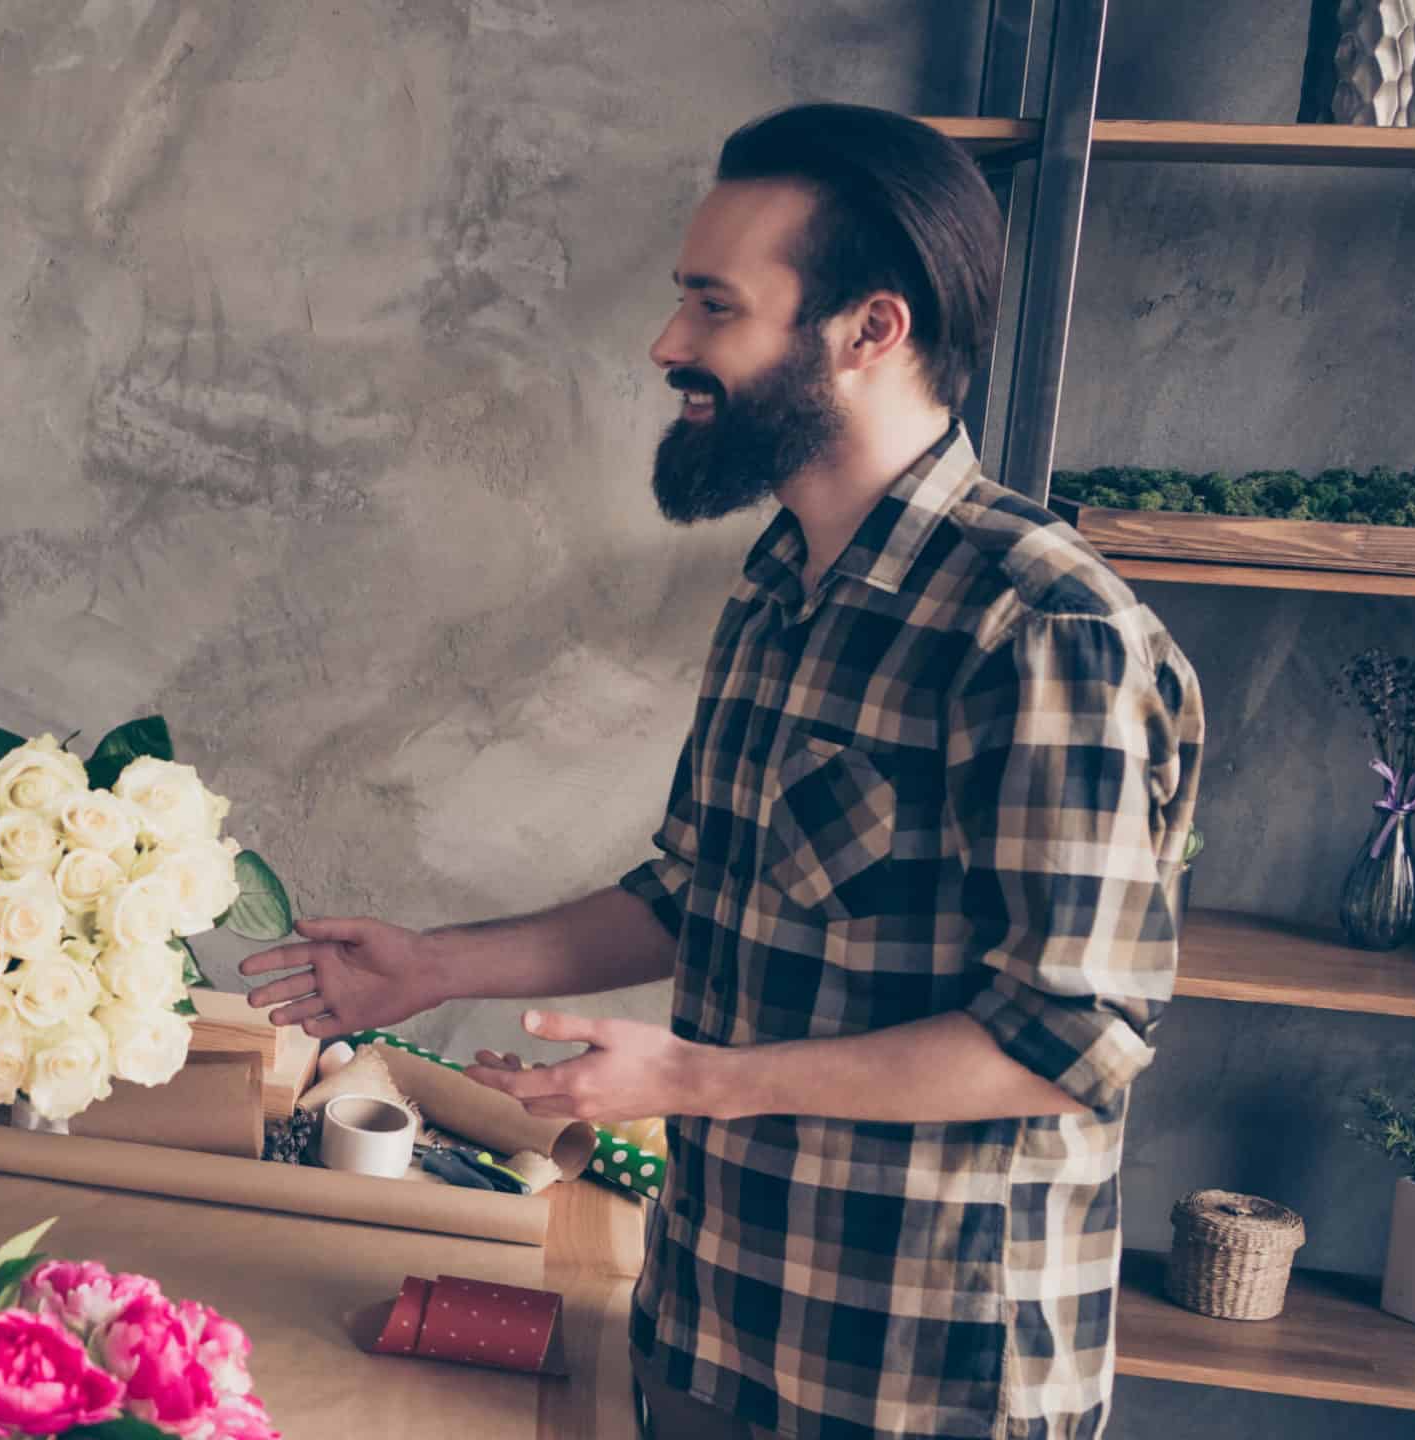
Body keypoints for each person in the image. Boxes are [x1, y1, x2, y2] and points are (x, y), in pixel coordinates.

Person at [244, 105, 1203, 1440]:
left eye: (715, 306)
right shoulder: (781, 581)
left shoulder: (1045, 629)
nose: (669, 345)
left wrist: (690, 1078)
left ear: (872, 330)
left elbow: (1067, 1042)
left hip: (921, 1381)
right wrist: (435, 967)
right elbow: (700, 892)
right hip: (712, 1325)